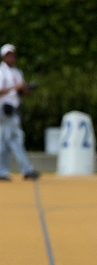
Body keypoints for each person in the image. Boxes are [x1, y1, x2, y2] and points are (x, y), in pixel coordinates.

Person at [0, 44, 39, 181]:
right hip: (4, 109)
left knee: (4, 141)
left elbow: (19, 90)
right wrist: (15, 87)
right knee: (16, 138)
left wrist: (26, 89)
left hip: (15, 109)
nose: (11, 57)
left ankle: (2, 172)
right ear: (4, 57)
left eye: (12, 54)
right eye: (8, 55)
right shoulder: (1, 72)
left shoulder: (17, 71)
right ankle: (26, 169)